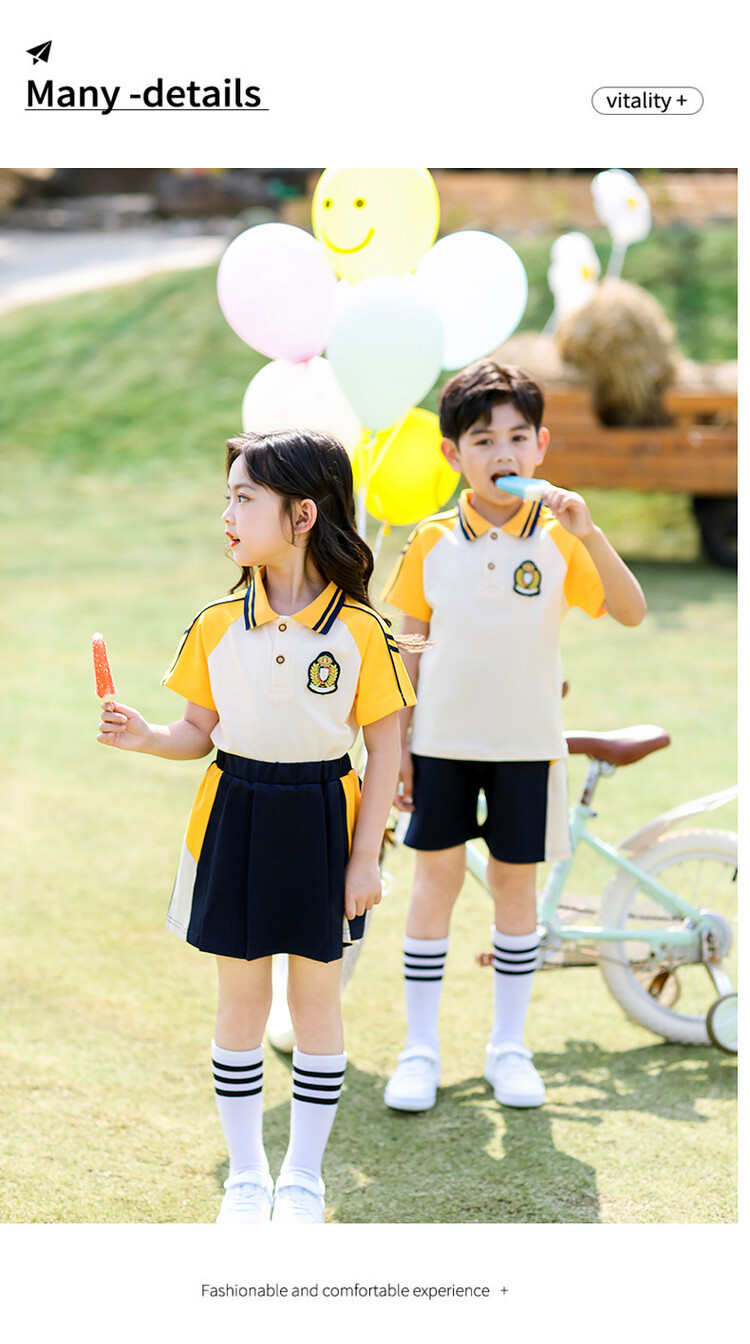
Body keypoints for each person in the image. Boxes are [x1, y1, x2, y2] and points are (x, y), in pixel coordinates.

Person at [97, 428, 415, 1224]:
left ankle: (303, 1178)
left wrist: (365, 860)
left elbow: (385, 747)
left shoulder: (361, 631)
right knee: (240, 1006)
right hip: (233, 815)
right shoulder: (215, 624)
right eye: (228, 498)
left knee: (316, 1006)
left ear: (302, 515)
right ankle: (247, 1176)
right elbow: (195, 732)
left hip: (323, 820)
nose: (228, 515)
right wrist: (146, 737)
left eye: (245, 498)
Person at [381, 361, 646, 1114]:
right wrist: (397, 747)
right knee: (433, 885)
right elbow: (409, 647)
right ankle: (420, 1049)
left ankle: (509, 1048)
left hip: (528, 748)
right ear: (452, 455)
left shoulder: (563, 539)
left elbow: (630, 611)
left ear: (541, 447)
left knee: (514, 889)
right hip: (440, 745)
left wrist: (591, 535)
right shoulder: (431, 541)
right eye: (483, 438)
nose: (503, 451)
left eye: (517, 437)